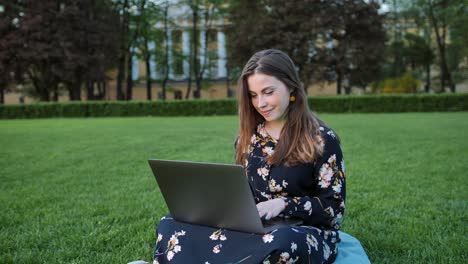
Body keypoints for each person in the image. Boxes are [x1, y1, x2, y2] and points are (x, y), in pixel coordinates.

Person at [151, 49, 346, 263]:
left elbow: (333, 211)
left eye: (268, 92)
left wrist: (284, 204)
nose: (260, 103)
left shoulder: (322, 139)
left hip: (300, 232)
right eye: (253, 95)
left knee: (283, 244)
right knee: (170, 222)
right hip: (252, 228)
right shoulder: (247, 139)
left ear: (291, 86)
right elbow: (242, 193)